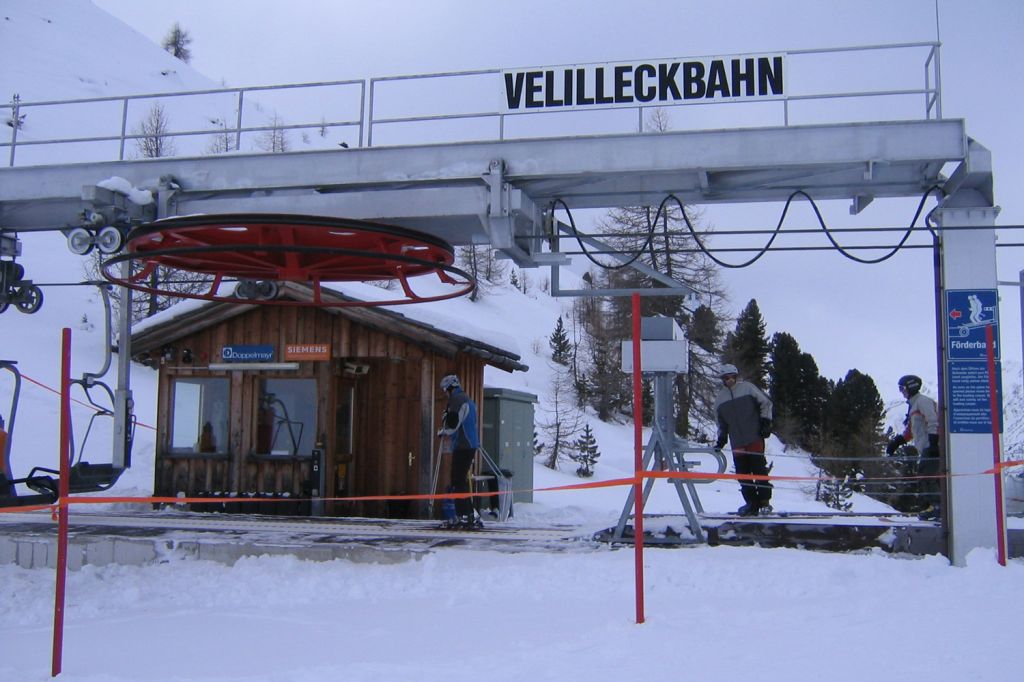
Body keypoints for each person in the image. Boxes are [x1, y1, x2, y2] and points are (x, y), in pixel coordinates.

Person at [713, 363, 774, 516]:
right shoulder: (720, 399)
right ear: (723, 379)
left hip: (753, 435)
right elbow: (721, 421)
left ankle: (765, 502)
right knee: (742, 473)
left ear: (736, 376)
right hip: (737, 441)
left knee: (759, 469)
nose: (730, 380)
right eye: (726, 378)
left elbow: (766, 403)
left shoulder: (747, 388)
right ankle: (752, 503)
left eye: (732, 377)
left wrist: (765, 422)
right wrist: (721, 438)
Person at [886, 374, 941, 520]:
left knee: (927, 476)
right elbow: (911, 430)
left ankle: (938, 508)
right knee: (925, 477)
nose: (901, 391)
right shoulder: (913, 406)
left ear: (911, 387)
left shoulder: (923, 402)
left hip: (932, 446)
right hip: (925, 447)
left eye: (902, 388)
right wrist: (896, 442)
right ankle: (931, 507)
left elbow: (933, 421)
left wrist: (934, 443)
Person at [438, 374, 482, 529]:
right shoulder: (466, 399)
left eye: (445, 390)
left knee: (458, 480)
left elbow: (453, 423)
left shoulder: (457, 400)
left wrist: (444, 430)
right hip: (469, 443)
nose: (445, 393)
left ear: (450, 388)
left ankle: (465, 514)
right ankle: (467, 513)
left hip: (464, 444)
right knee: (459, 480)